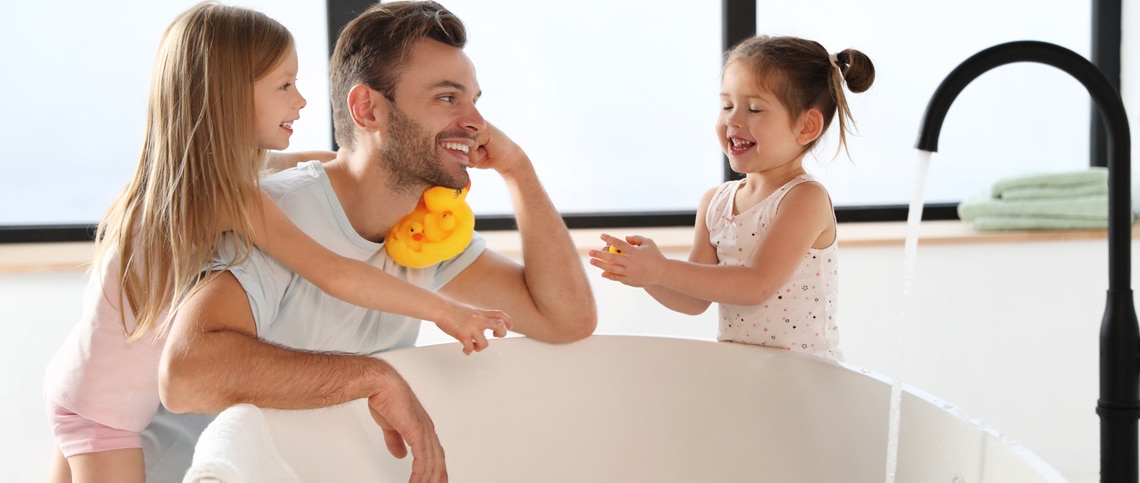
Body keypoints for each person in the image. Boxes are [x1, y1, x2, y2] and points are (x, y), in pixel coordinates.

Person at [43, 3, 518, 482]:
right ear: (228, 95)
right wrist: (445, 311)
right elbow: (334, 272)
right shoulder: (231, 198)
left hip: (84, 381)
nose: (302, 102)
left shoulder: (197, 176)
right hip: (106, 413)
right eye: (285, 85)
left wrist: (375, 158)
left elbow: (321, 164)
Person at [151, 1, 597, 481]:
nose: (477, 123)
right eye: (448, 99)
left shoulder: (423, 232)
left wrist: (518, 170)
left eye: (474, 100)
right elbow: (186, 376)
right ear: (368, 109)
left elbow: (565, 319)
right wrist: (372, 377)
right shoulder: (277, 213)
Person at [589, 35, 875, 361]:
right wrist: (647, 276)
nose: (732, 120)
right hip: (744, 376)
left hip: (807, 383)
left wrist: (663, 269)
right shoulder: (715, 203)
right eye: (726, 105)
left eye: (754, 108)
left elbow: (755, 285)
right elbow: (694, 299)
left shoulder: (804, 199)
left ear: (807, 126)